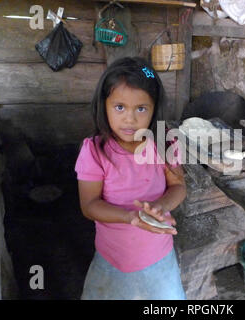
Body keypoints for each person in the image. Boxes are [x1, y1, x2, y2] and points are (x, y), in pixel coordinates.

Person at [75, 56, 187, 300]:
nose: (130, 118)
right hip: (112, 258)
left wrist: (160, 206)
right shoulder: (95, 151)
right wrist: (130, 217)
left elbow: (178, 186)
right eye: (119, 107)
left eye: (141, 108)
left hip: (159, 257)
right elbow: (89, 205)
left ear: (154, 109)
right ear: (103, 105)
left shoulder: (164, 141)